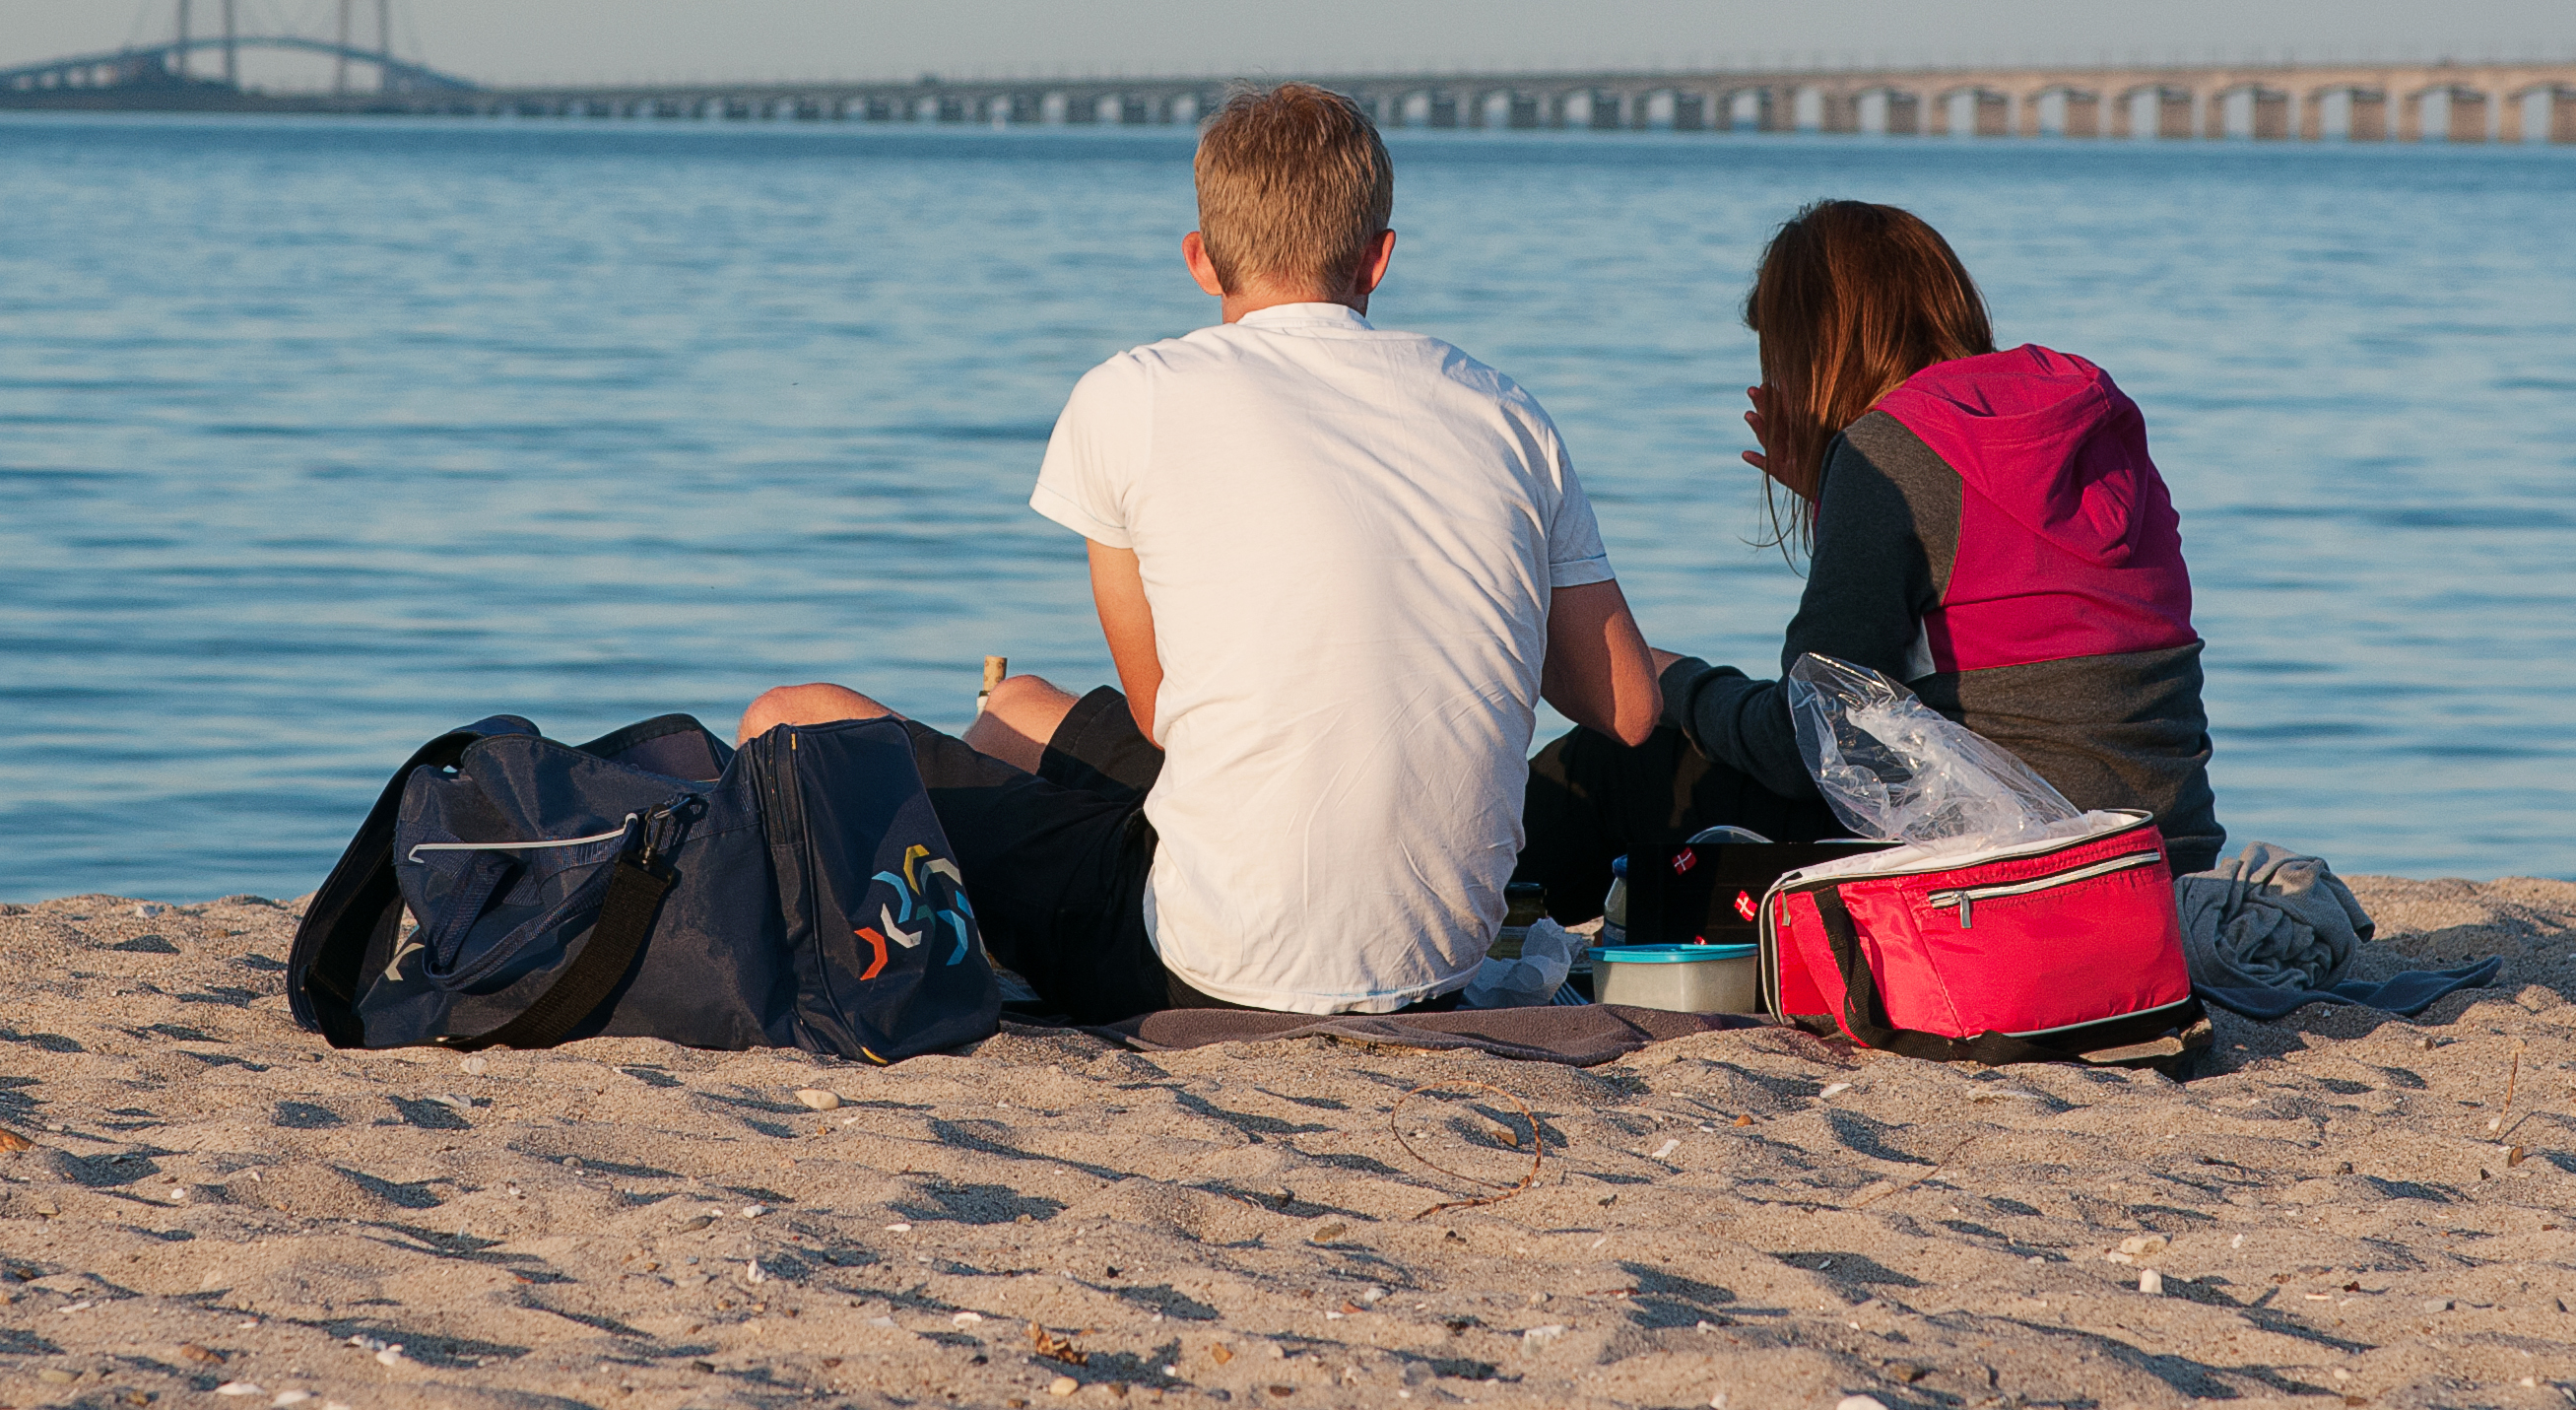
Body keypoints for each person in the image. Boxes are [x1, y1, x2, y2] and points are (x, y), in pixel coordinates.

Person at [741, 83, 1662, 1019]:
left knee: (789, 716)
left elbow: (1156, 711)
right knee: (1018, 707)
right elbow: (1626, 709)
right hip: (1438, 961)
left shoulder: (1130, 395)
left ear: (1201, 260)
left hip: (1201, 965)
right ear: (1378, 259)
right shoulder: (1505, 412)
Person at [1518, 198, 2223, 917]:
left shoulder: (1891, 453)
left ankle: (1469, 924)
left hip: (2016, 872)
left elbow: (1806, 748)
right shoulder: (2085, 418)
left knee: (1618, 765)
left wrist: (1668, 685)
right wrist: (1835, 493)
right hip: (2164, 857)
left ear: (1816, 347)